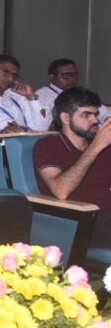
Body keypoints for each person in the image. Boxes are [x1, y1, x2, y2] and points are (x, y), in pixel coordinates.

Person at [34, 87, 111, 248]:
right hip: (79, 220)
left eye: (96, 114)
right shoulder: (48, 145)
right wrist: (96, 147)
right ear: (66, 118)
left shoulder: (104, 146)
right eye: (86, 115)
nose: (95, 120)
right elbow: (60, 190)